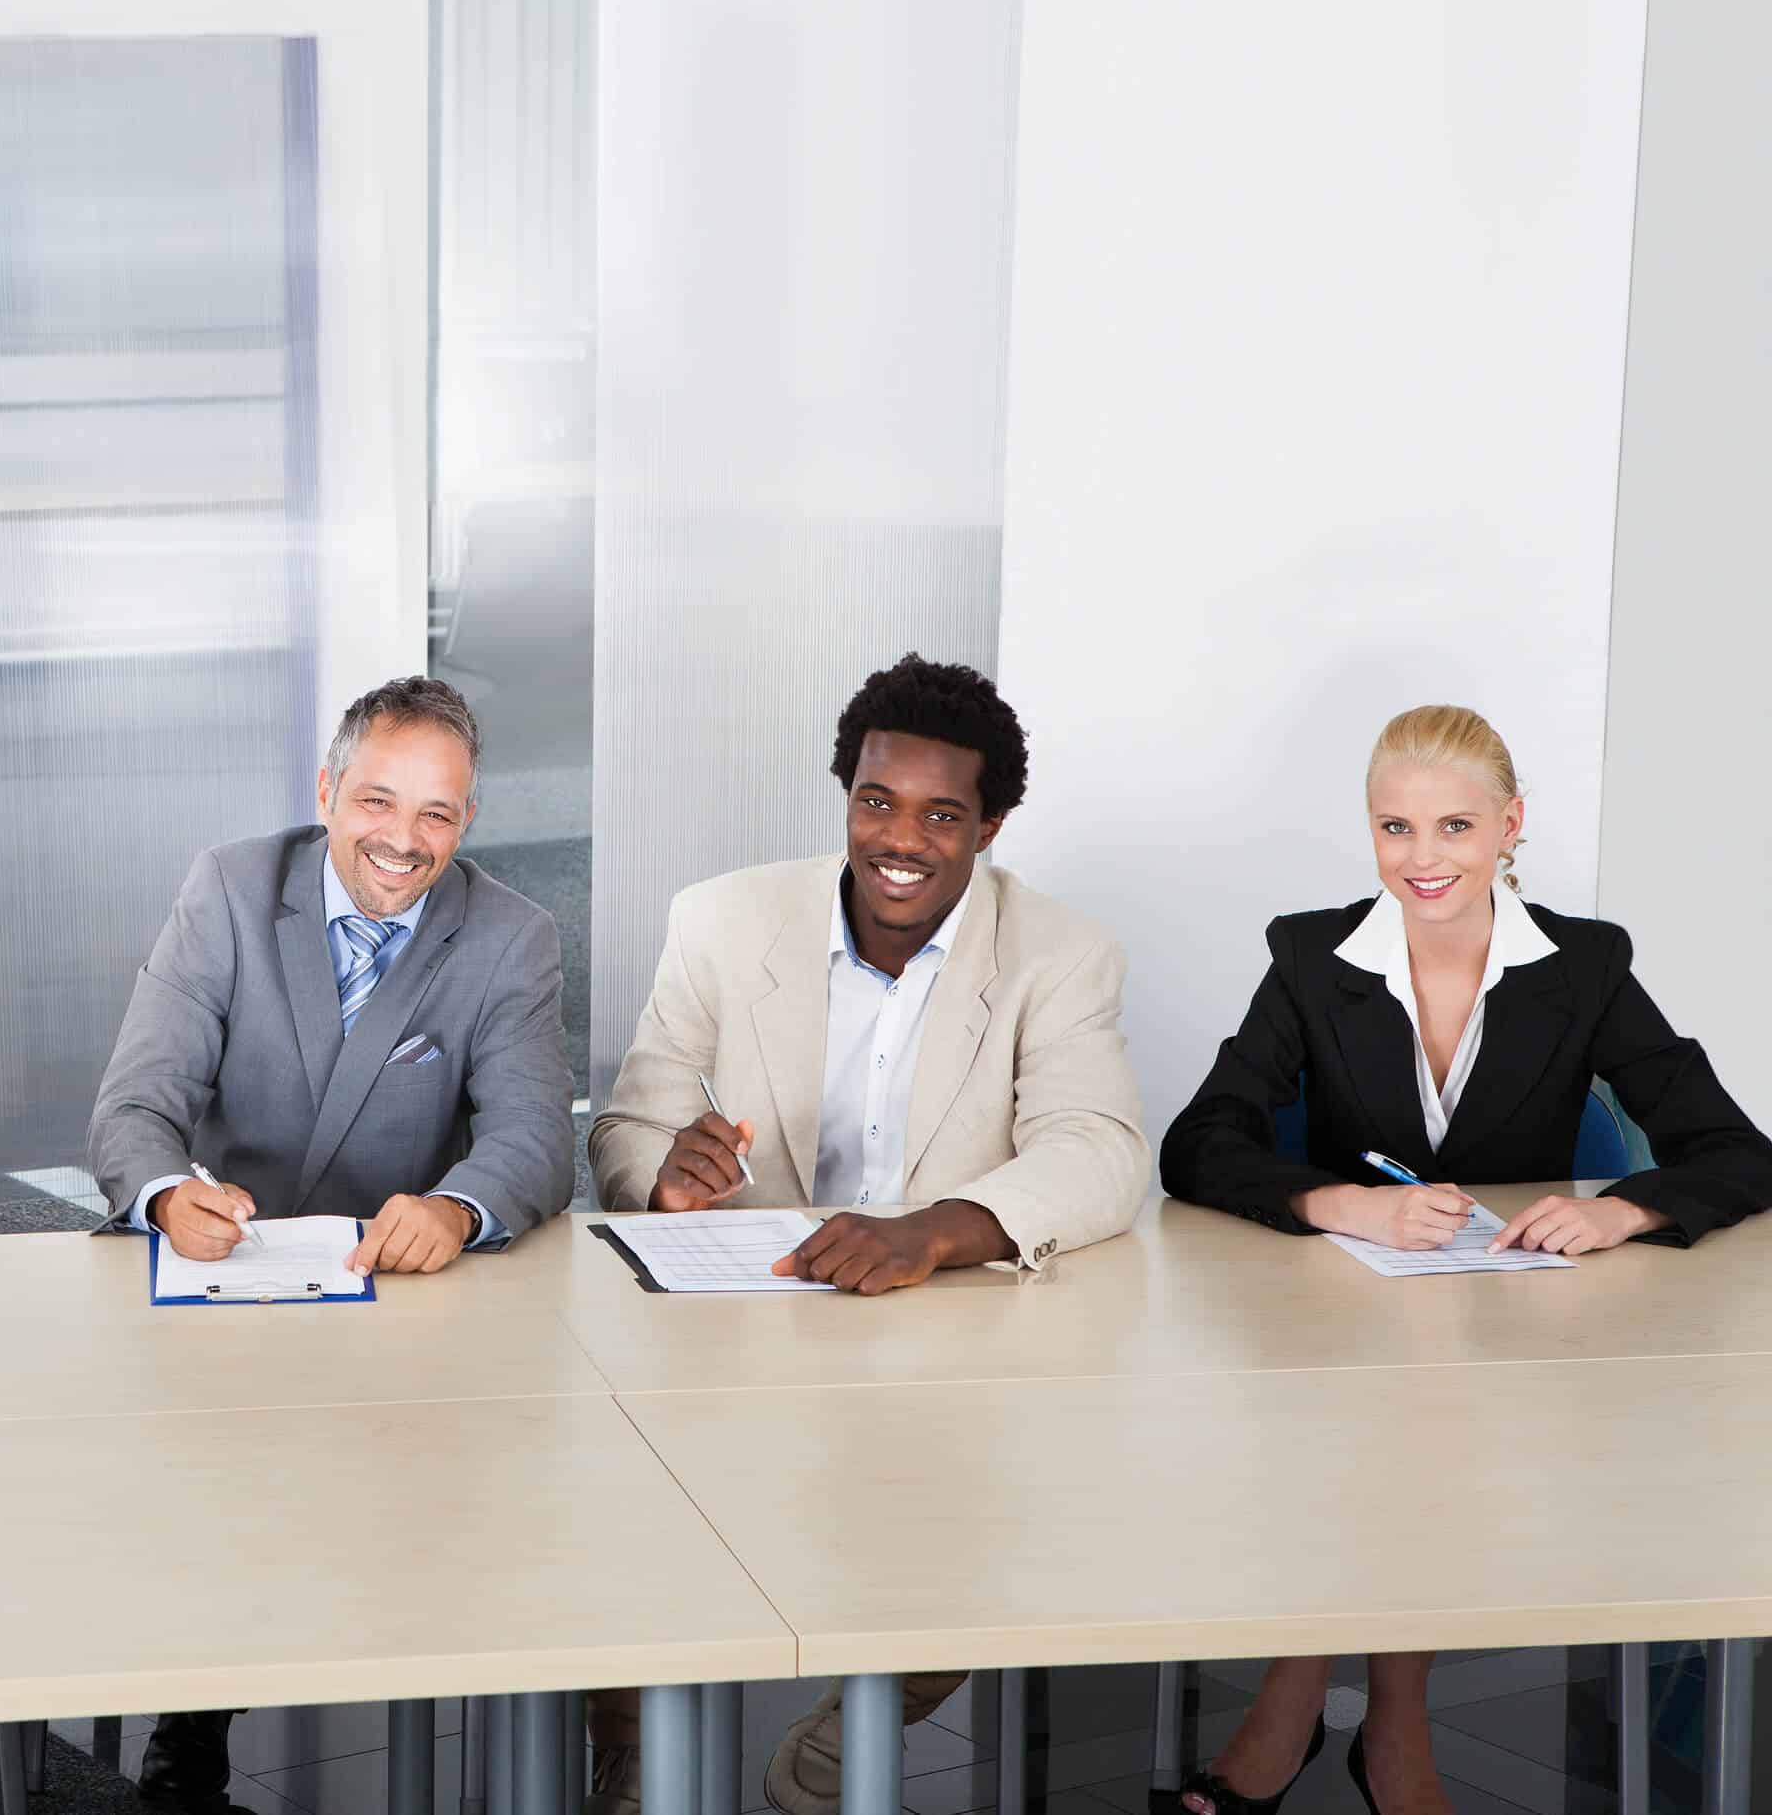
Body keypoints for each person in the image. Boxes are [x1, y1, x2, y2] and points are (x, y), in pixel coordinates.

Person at [1158, 703, 1772, 1815]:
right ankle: (1390, 1735)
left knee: (1424, 1422)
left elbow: (1734, 1152)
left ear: (1509, 827)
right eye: (1394, 828)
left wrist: (1621, 1213)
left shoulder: (1583, 967)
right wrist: (1338, 1202)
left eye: (1452, 826)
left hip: (1511, 1340)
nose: (1422, 858)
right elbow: (1197, 1142)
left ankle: (1296, 1712)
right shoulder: (1310, 956)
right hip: (1337, 1328)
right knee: (1391, 1421)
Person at [585, 652, 1151, 1815]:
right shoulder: (722, 919)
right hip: (739, 1324)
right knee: (628, 1516)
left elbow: (1099, 1151)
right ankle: (634, 1759)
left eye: (943, 814)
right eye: (876, 802)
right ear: (845, 795)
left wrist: (935, 1232)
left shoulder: (1060, 954)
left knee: (973, 1537)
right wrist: (664, 1179)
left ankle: (852, 1743)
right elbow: (632, 1119)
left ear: (991, 826)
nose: (903, 838)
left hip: (934, 1339)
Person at [89, 675, 574, 1807]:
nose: (403, 841)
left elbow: (536, 1137)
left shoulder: (511, 937)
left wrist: (456, 1207)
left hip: (399, 1306)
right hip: (221, 1288)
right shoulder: (228, 888)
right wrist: (166, 1196)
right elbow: (133, 1106)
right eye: (377, 801)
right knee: (209, 1485)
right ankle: (191, 1719)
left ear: (466, 823)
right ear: (325, 791)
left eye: (438, 814)